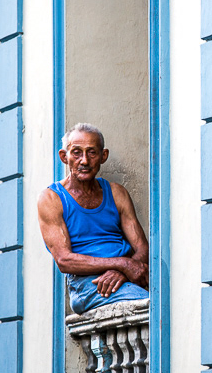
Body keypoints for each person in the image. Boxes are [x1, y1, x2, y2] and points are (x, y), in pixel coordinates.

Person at [38, 123, 149, 314]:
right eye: (76, 153)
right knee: (149, 304)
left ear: (103, 156)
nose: (84, 161)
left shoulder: (116, 193)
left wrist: (121, 270)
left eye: (92, 152)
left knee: (173, 295)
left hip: (124, 276)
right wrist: (122, 264)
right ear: (64, 157)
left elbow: (142, 248)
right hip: (89, 284)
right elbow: (65, 261)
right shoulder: (51, 198)